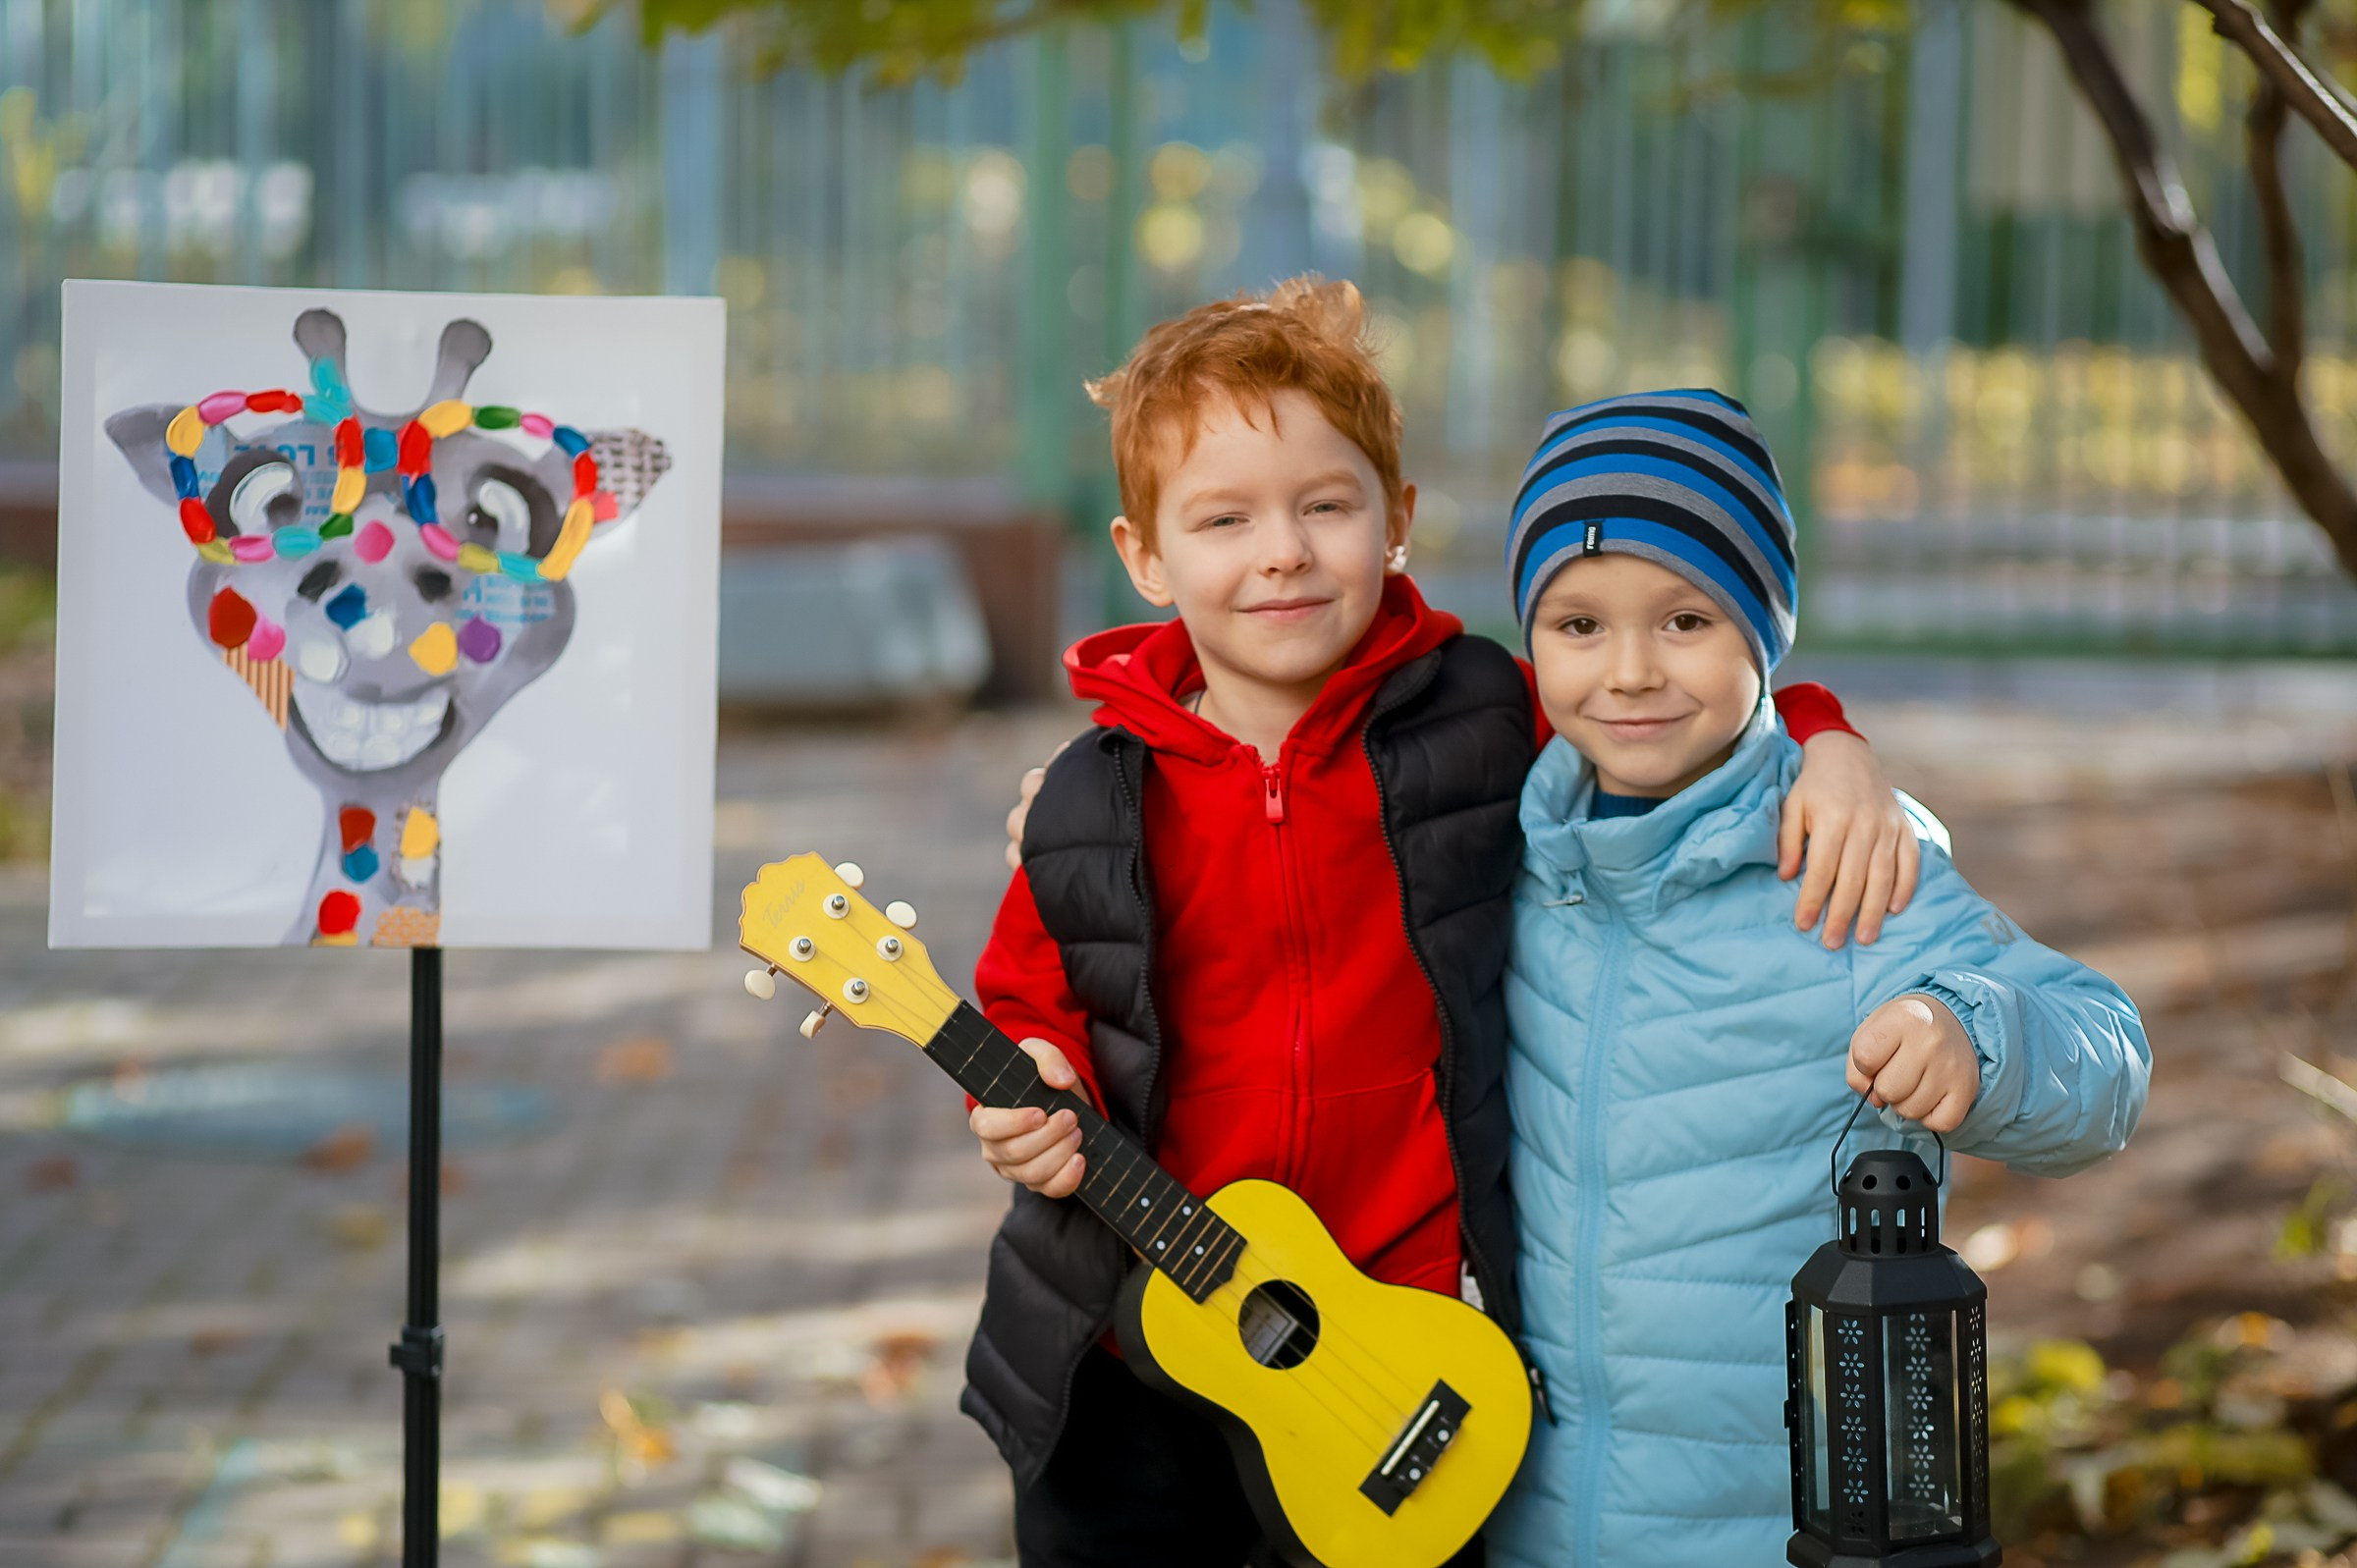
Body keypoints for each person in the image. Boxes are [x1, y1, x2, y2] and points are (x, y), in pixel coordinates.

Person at [965, 278, 1912, 1568]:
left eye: (1326, 505)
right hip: (1141, 1339)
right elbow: (1030, 1001)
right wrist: (1029, 1089)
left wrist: (1823, 733)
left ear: (1396, 522)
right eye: (1225, 517)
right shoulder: (1090, 793)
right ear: (1145, 555)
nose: (1283, 550)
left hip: (1402, 1350)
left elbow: (1661, 720)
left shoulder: (1484, 717)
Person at [1488, 390, 2151, 1568]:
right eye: (1578, 624)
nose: (1630, 670)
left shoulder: (1847, 869)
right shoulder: (1504, 857)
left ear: (1763, 629)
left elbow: (2109, 1057)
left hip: (1780, 1533)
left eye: (1687, 619)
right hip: (1522, 1518)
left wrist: (1971, 1029)